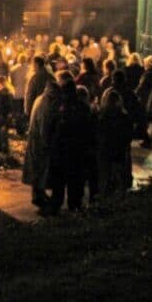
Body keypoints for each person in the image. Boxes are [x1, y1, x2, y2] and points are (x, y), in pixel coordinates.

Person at [46, 78, 92, 214]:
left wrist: (50, 145)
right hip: (76, 151)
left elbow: (50, 127)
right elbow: (88, 130)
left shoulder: (56, 105)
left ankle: (56, 208)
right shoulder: (82, 107)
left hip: (60, 150)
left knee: (58, 183)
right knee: (75, 183)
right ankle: (74, 208)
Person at [22, 75, 63, 209]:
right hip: (40, 142)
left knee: (37, 170)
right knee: (40, 170)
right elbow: (44, 126)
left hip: (35, 139)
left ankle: (38, 195)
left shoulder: (41, 99)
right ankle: (38, 196)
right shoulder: (46, 104)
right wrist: (48, 142)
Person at [96, 87, 132, 195]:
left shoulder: (102, 115)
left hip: (106, 150)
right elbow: (128, 134)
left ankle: (105, 194)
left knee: (105, 175)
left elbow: (98, 133)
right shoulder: (123, 116)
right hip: (118, 150)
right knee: (118, 175)